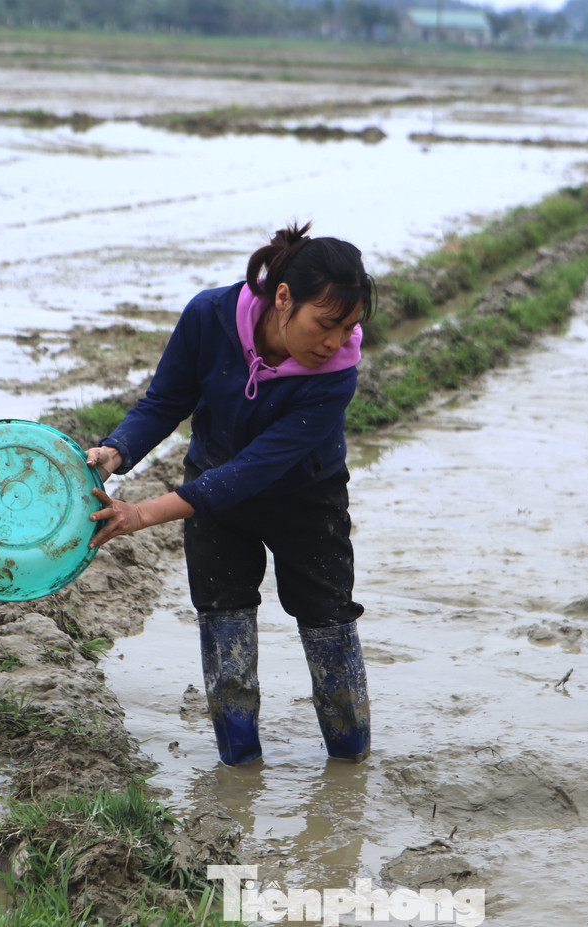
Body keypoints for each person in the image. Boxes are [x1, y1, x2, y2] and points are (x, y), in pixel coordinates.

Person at [84, 223, 375, 767]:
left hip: (307, 500)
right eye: (327, 324)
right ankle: (237, 768)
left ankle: (349, 758)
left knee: (327, 621)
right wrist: (116, 451)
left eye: (350, 327)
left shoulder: (335, 375)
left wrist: (141, 512)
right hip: (212, 492)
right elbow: (165, 401)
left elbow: (250, 471)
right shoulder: (209, 316)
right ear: (283, 297)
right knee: (225, 625)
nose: (337, 341)